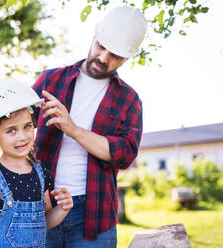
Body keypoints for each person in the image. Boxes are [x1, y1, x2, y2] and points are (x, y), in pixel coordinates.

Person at [32, 5, 148, 247]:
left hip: (94, 214)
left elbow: (125, 154)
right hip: (41, 205)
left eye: (115, 55)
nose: (104, 58)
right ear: (94, 37)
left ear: (128, 58)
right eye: (101, 46)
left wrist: (73, 130)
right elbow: (14, 123)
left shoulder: (129, 99)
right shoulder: (50, 80)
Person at [0, 78, 74, 248]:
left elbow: (44, 222)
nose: (23, 136)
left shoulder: (40, 173)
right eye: (11, 130)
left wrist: (63, 209)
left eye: (27, 126)